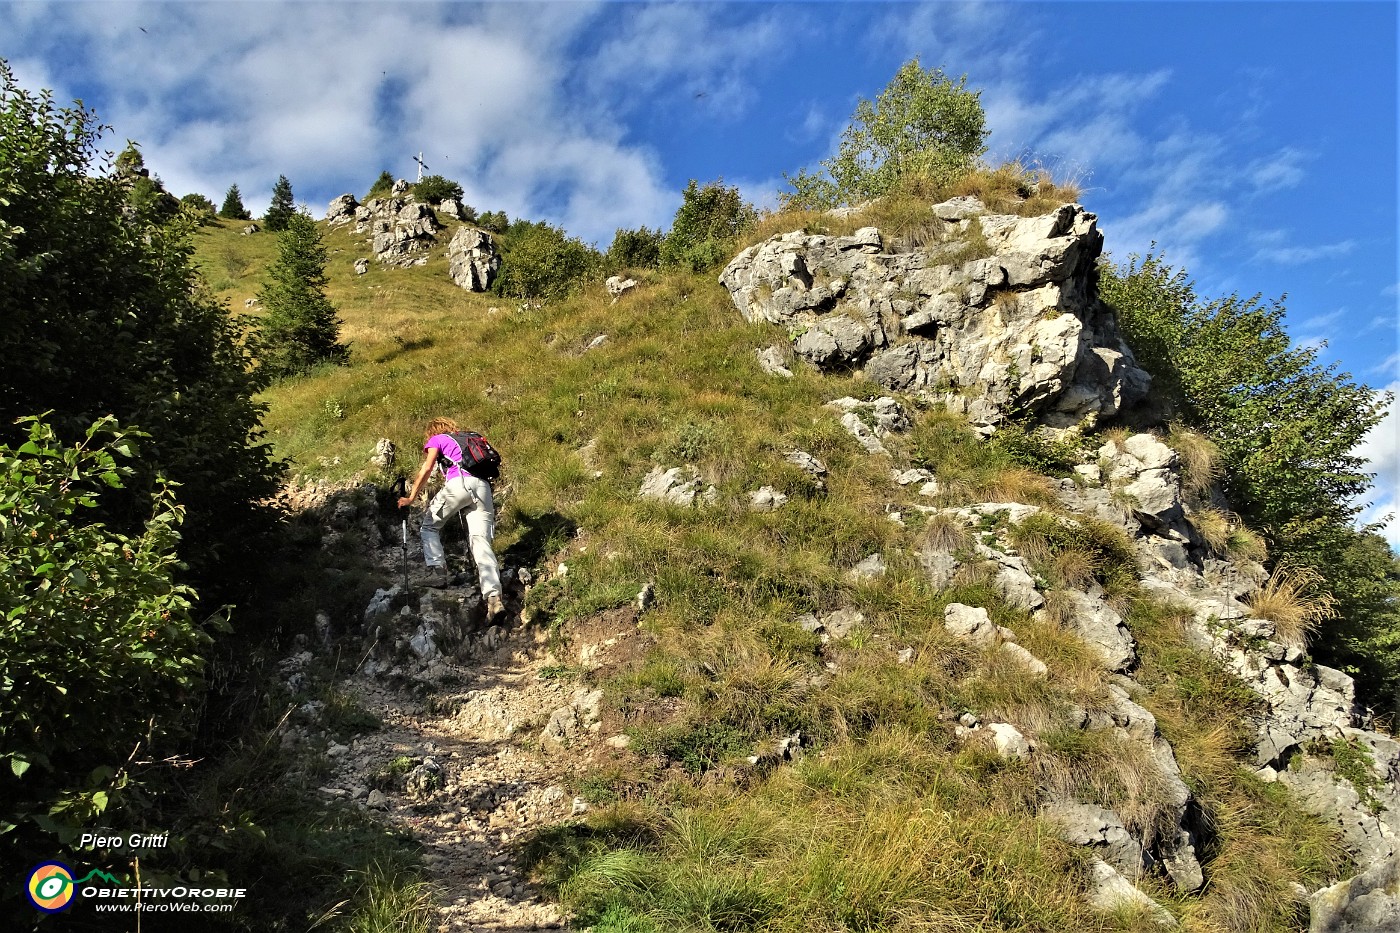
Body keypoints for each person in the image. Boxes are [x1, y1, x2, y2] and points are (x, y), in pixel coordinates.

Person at [397, 417, 504, 621]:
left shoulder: (437, 439)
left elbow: (427, 468)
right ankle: (493, 598)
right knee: (480, 542)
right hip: (483, 489)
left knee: (429, 527)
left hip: (459, 485)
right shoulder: (469, 438)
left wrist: (411, 497)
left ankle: (437, 571)